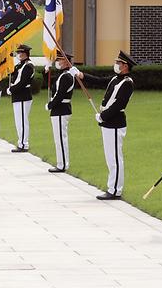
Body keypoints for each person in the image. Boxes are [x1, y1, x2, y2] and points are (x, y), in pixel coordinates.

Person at [75, 50, 136, 200]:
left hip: (115, 123)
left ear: (125, 66)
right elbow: (99, 81)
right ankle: (113, 187)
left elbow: (118, 105)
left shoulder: (127, 83)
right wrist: (81, 75)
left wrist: (103, 116)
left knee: (115, 157)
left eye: (118, 63)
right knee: (110, 157)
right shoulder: (115, 78)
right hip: (108, 123)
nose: (115, 65)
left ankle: (115, 190)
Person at [46, 52, 78, 173]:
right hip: (59, 109)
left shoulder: (66, 76)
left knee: (60, 138)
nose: (57, 62)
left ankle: (63, 164)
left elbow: (59, 95)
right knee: (58, 138)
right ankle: (61, 162)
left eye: (59, 60)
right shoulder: (64, 75)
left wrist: (50, 105)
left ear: (66, 61)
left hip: (61, 109)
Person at [7, 44, 34, 152]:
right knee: (19, 121)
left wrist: (11, 89)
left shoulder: (28, 66)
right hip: (18, 96)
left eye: (20, 53)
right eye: (18, 53)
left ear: (26, 54)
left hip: (23, 96)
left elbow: (22, 82)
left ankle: (24, 144)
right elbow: (13, 73)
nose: (19, 55)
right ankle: (21, 141)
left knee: (22, 121)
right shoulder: (20, 65)